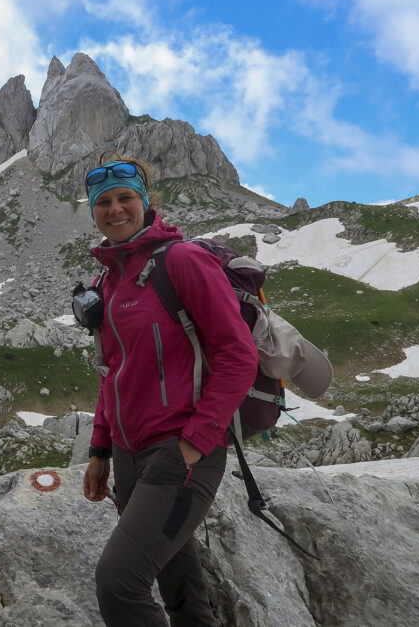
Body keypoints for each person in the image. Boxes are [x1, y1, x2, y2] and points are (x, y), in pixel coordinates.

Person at [80, 154, 258, 626]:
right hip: (126, 453)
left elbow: (238, 356)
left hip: (179, 450)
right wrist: (99, 449)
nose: (115, 210)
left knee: (119, 581)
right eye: (104, 203)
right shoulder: (109, 280)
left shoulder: (182, 260)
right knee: (177, 582)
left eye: (125, 199)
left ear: (145, 202)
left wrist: (198, 439)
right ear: (93, 211)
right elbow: (111, 370)